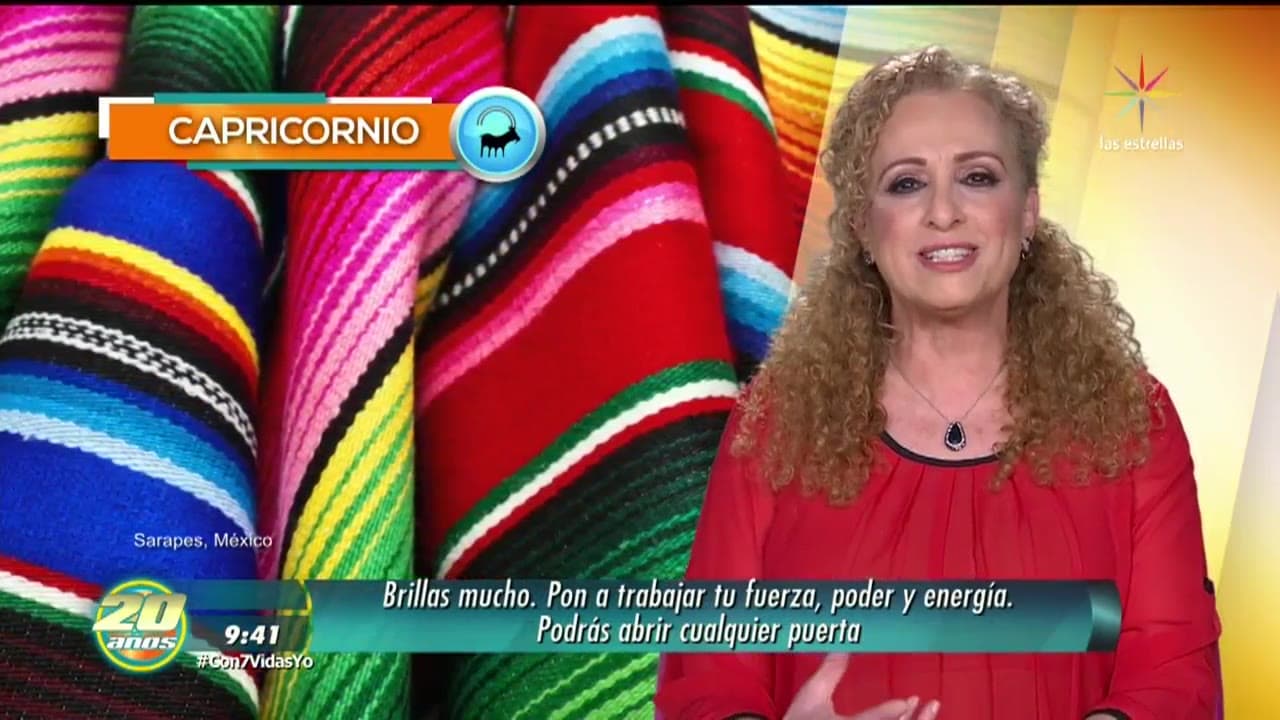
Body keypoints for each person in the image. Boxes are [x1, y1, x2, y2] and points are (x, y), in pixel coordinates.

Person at [654, 46, 1222, 720]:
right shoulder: (775, 423)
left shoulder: (1132, 419)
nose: (944, 211)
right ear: (863, 227)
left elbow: (1174, 668)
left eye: (977, 177)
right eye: (906, 183)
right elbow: (707, 679)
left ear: (1028, 210)